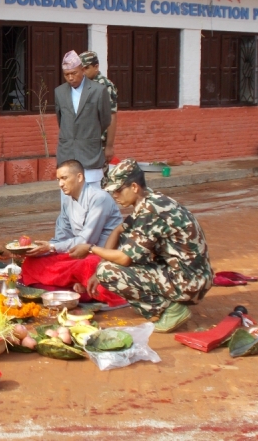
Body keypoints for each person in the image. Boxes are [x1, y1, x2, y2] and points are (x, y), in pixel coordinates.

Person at [89, 159, 214, 333]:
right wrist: (99, 264)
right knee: (114, 258)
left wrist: (90, 249)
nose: (115, 196)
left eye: (118, 190)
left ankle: (170, 310)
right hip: (193, 276)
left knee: (107, 271)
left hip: (189, 281)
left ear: (134, 187)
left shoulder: (150, 210)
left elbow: (124, 259)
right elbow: (119, 230)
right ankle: (169, 304)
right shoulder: (151, 200)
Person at [20, 160, 125, 306]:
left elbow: (87, 240)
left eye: (64, 178)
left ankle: (72, 290)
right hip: (77, 253)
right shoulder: (67, 200)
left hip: (101, 255)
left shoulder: (99, 198)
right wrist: (40, 251)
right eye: (58, 179)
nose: (60, 184)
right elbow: (61, 238)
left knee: (89, 265)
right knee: (32, 263)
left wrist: (52, 247)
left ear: (79, 177)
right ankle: (74, 290)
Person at [55, 50, 111, 188]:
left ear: (82, 70)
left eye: (74, 73)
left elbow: (105, 120)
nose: (70, 78)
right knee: (68, 201)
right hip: (67, 153)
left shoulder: (98, 90)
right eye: (66, 75)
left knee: (92, 202)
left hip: (89, 153)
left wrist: (89, 133)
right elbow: (61, 120)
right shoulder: (59, 92)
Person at [79, 51, 118, 166]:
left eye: (86, 68)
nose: (83, 72)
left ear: (96, 67)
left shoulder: (104, 86)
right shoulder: (83, 85)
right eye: (81, 69)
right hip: (83, 143)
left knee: (98, 180)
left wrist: (109, 146)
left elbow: (111, 116)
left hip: (98, 145)